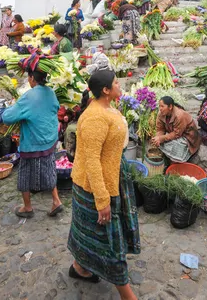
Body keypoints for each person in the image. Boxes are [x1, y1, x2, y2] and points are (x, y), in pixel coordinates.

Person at [68, 70, 140, 299]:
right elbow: (91, 160)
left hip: (111, 178)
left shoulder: (107, 108)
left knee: (89, 232)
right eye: (116, 82)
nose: (120, 85)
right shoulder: (95, 118)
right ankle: (127, 295)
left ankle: (80, 268)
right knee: (111, 241)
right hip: (96, 186)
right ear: (106, 90)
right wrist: (102, 200)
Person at [2, 57, 63, 218]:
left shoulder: (29, 97)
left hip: (33, 143)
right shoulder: (50, 92)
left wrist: (15, 107)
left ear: (31, 78)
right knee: (49, 170)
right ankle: (56, 200)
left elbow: (7, 118)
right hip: (50, 140)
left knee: (24, 175)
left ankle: (27, 207)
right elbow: (54, 108)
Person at [152, 96, 200, 163]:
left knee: (175, 147)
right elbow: (160, 129)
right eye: (159, 106)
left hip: (187, 136)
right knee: (158, 141)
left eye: (162, 106)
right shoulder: (161, 114)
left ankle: (175, 161)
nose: (160, 109)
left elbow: (176, 134)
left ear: (170, 107)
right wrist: (158, 137)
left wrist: (161, 138)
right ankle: (169, 159)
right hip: (175, 133)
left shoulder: (180, 115)